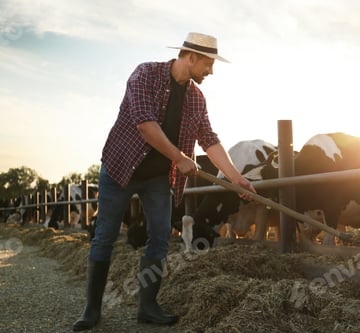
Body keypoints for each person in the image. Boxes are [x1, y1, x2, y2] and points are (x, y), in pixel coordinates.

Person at [72, 32, 256, 331]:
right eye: (208, 63)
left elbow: (209, 139)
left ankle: (148, 307)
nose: (211, 71)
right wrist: (181, 157)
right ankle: (91, 310)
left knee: (159, 238)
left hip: (157, 177)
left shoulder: (196, 97)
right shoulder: (146, 74)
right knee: (105, 236)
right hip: (121, 169)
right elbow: (145, 124)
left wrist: (237, 179)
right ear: (191, 57)